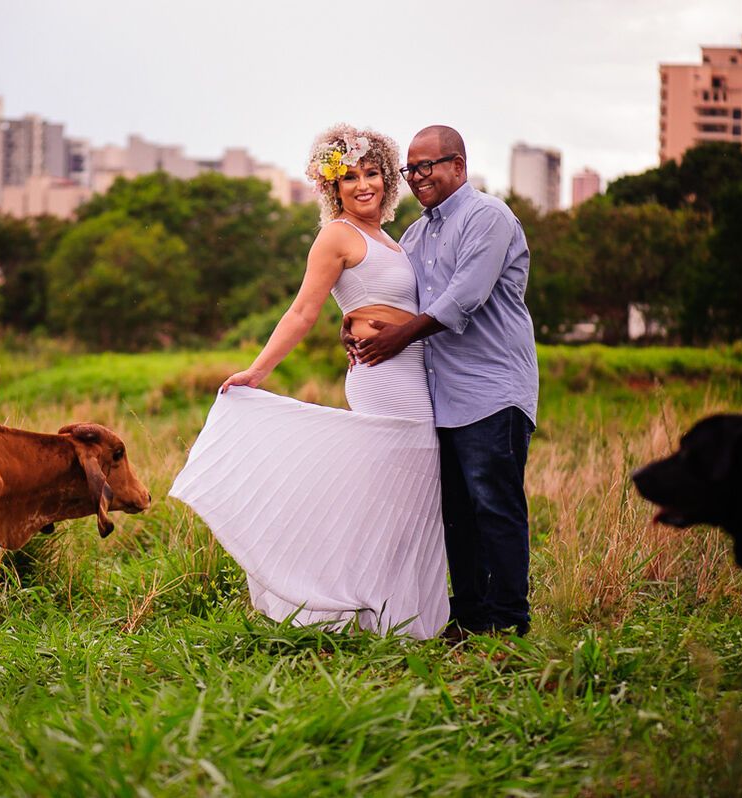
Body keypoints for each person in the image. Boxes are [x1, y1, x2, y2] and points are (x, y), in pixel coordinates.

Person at [169, 124, 449, 638]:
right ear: (332, 189)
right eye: (350, 179)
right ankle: (373, 612)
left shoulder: (391, 238)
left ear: (387, 178)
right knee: (390, 494)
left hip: (414, 372)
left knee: (411, 496)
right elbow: (301, 311)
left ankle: (399, 613)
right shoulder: (336, 235)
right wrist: (258, 370)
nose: (364, 185)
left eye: (372, 174)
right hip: (382, 378)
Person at [348, 125, 538, 638]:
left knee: (494, 506)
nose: (416, 177)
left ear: (459, 165)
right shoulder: (415, 234)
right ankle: (472, 614)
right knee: (454, 513)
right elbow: (399, 300)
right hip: (440, 397)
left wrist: (397, 338)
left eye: (426, 166)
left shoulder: (487, 217)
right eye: (410, 169)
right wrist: (360, 325)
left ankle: (508, 621)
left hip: (492, 390)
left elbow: (463, 298)